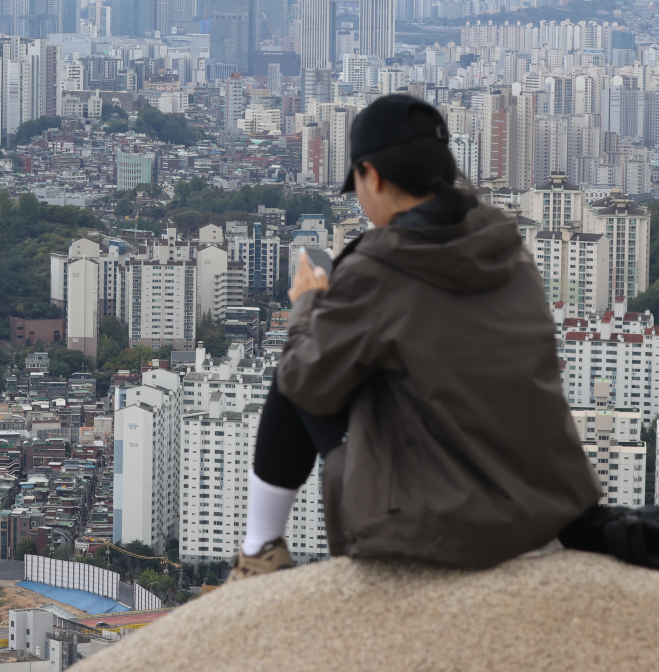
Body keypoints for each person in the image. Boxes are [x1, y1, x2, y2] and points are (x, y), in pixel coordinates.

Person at [232, 93, 601, 579]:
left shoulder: (381, 266)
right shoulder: (508, 249)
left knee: (295, 366)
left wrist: (307, 303)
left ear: (374, 176)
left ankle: (258, 553)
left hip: (443, 526)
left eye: (357, 183)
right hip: (546, 507)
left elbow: (307, 378)